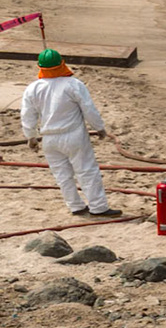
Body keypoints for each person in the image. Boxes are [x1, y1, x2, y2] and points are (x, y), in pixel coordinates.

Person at [20, 49, 117, 218]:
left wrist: (30, 136)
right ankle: (98, 207)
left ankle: (75, 206)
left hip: (49, 139)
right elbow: (89, 109)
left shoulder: (33, 88)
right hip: (73, 135)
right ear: (62, 63)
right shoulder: (73, 84)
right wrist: (99, 127)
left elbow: (27, 115)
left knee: (62, 175)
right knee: (86, 171)